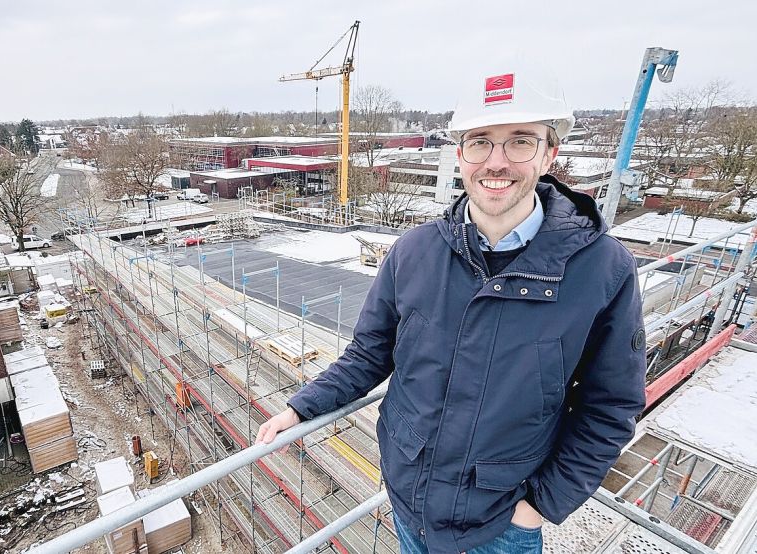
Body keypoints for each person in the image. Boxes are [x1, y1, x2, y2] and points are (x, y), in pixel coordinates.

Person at [255, 67, 647, 553]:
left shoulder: (602, 270)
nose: (496, 162)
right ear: (460, 154)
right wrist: (301, 407)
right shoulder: (415, 252)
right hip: (408, 502)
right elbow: (370, 352)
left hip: (500, 525)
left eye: (520, 142)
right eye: (481, 142)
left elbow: (610, 407)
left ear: (550, 153)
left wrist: (541, 508)